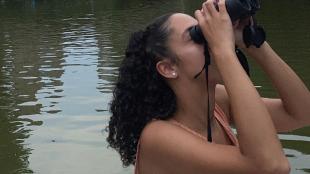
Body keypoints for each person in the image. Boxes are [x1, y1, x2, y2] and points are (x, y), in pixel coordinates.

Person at [107, 0, 310, 173]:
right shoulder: (158, 138)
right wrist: (223, 50)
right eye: (197, 36)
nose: (212, 39)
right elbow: (272, 166)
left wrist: (252, 40)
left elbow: (301, 113)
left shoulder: (218, 104)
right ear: (168, 68)